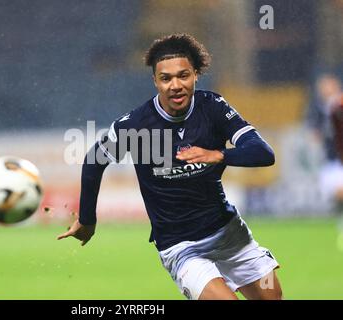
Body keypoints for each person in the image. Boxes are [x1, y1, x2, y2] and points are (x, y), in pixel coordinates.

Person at [57, 34, 282, 300]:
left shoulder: (213, 108)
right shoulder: (135, 126)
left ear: (196, 75)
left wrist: (219, 154)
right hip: (181, 247)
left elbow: (263, 153)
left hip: (231, 235)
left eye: (183, 75)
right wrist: (87, 219)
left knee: (273, 297)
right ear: (155, 81)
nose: (175, 85)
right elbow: (94, 161)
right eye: (166, 78)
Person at [307, 74, 343, 250]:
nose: (324, 90)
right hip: (330, 161)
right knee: (335, 195)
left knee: (340, 192)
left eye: (327, 86)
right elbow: (316, 134)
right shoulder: (318, 110)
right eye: (322, 87)